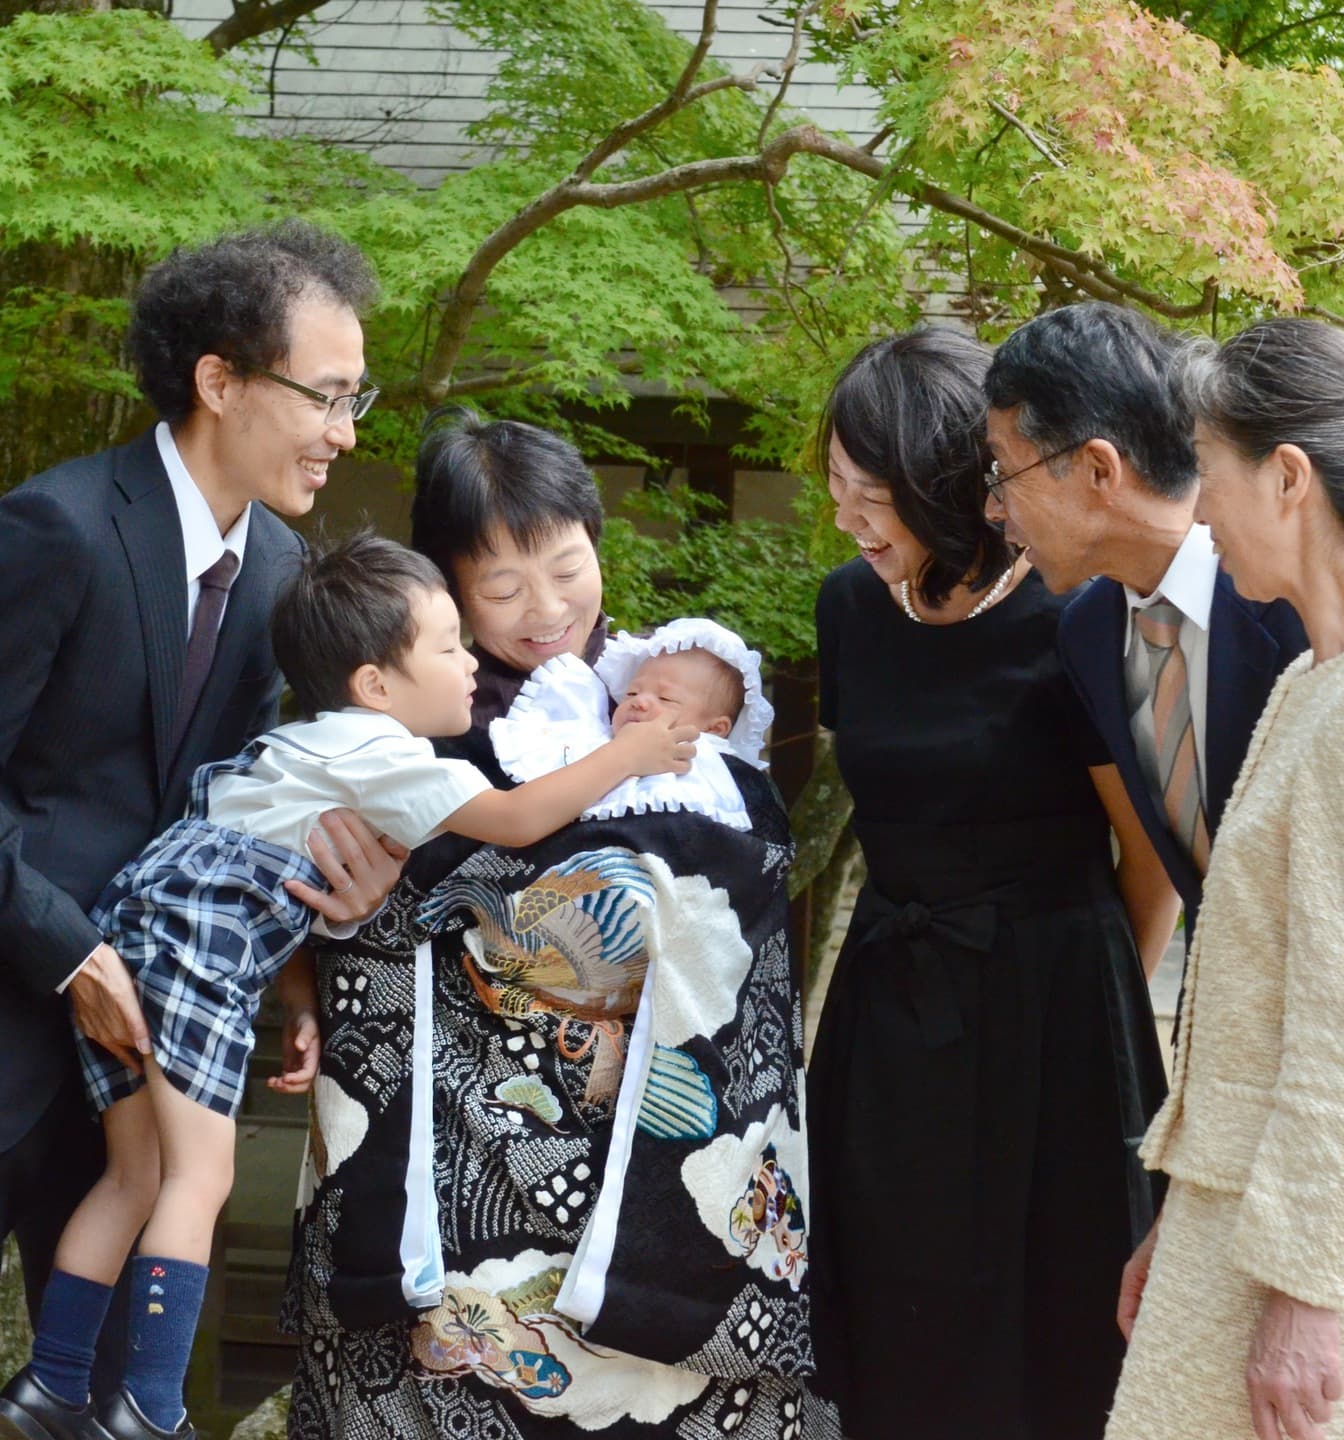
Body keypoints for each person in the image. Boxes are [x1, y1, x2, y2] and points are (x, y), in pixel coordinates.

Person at [2, 533, 696, 1440]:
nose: (466, 665)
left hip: (137, 940)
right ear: (376, 683)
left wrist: (296, 997)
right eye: (447, 646)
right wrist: (629, 753)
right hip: (199, 955)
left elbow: (268, 883)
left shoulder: (296, 742)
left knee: (135, 1174)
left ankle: (51, 1385)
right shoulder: (385, 754)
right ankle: (149, 1407)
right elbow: (519, 819)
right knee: (197, 1182)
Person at [283, 411, 837, 1439]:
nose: (546, 611)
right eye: (500, 588)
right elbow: (336, 904)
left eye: (567, 567)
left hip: (649, 1185)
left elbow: (747, 884)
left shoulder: (658, 702)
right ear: (444, 585)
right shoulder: (397, 738)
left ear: (598, 541)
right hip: (452, 1203)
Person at [0, 224, 407, 1440]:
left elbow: (232, 813)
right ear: (219, 379)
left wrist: (293, 972)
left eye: (358, 397)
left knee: (120, 1396)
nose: (347, 431)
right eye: (326, 396)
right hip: (19, 1007)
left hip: (151, 1060)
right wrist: (69, 956)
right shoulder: (57, 527)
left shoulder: (281, 570)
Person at [805, 325, 1174, 1440]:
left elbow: (1147, 854)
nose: (846, 520)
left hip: (1052, 1005)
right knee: (888, 1312)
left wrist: (1096, 1004)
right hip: (892, 1004)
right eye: (830, 489)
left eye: (869, 493)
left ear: (944, 481)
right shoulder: (847, 608)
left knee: (1052, 1329)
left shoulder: (1074, 613)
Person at [1106, 319, 1344, 1440]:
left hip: (1314, 1244)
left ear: (1287, 477)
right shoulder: (1320, 679)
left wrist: (1305, 1296)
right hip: (1253, 1211)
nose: (1197, 509)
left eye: (1207, 470)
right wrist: (1183, 1213)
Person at [983, 302, 1308, 944]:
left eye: (1004, 473)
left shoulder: (1297, 600)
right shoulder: (1087, 633)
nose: (995, 509)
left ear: (1099, 469)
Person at [490, 617, 757, 831]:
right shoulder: (592, 738)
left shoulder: (710, 776)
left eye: (665, 697)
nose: (639, 701)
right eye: (632, 692)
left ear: (714, 729)